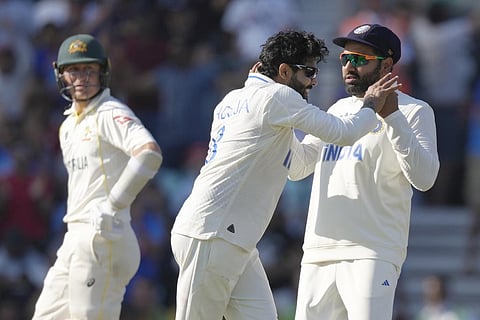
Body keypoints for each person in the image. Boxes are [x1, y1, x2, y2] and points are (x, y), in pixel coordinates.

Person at [170, 29, 400, 320]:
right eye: (309, 72)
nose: (314, 81)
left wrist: (323, 131)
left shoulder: (237, 99)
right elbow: (346, 133)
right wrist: (370, 103)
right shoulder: (278, 97)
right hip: (211, 235)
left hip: (231, 239)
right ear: (283, 70)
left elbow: (298, 166)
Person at [289, 24, 439, 320]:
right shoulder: (336, 110)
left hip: (372, 251)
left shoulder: (415, 111)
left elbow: (425, 179)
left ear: (386, 64)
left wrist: (393, 117)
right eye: (345, 58)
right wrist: (279, 119)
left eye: (360, 60)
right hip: (320, 251)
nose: (349, 66)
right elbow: (297, 169)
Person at [32, 34, 163, 319]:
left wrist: (112, 205)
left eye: (89, 70)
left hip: (103, 235)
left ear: (103, 72)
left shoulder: (109, 111)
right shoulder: (68, 125)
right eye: (74, 70)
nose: (81, 78)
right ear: (60, 74)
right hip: (75, 238)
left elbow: (149, 153)